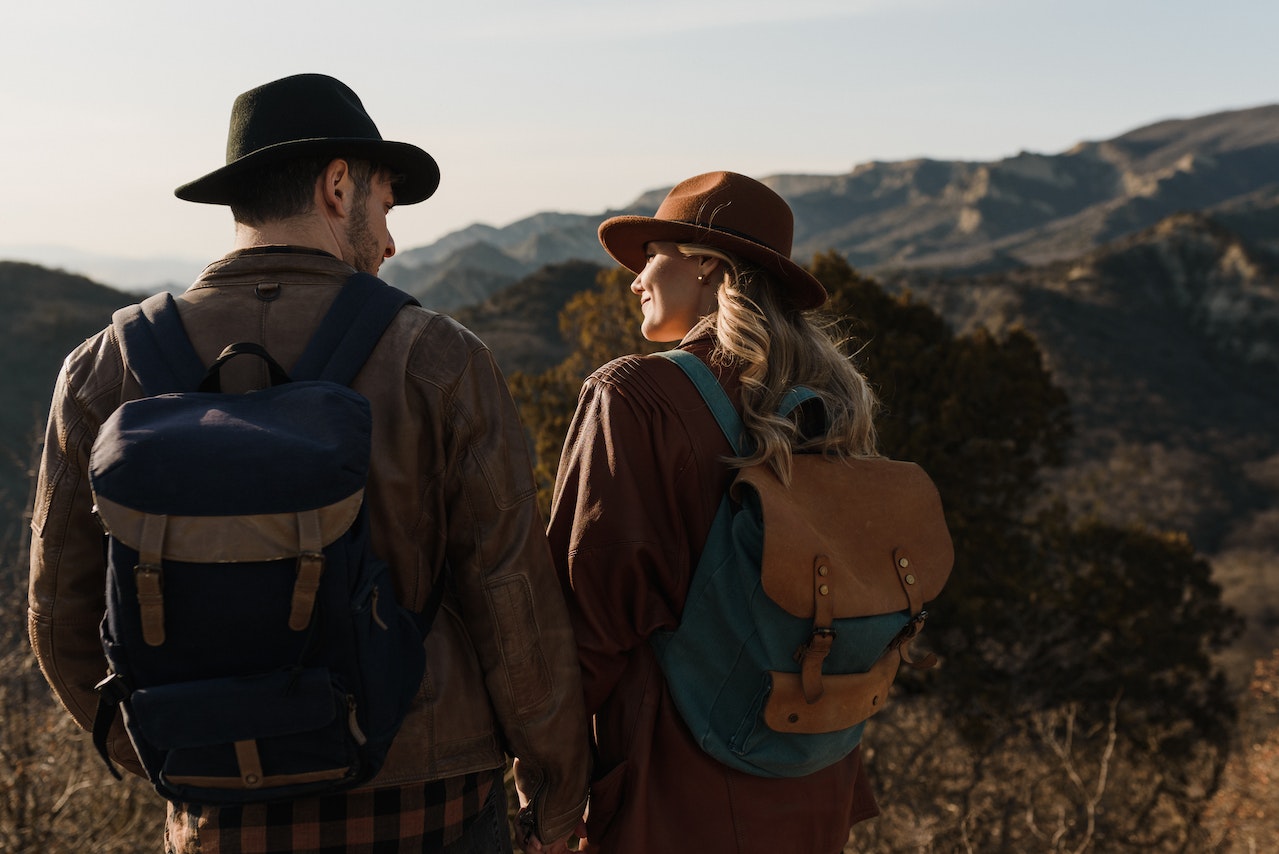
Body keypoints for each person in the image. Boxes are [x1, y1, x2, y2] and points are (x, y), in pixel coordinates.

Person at [27, 73, 589, 853]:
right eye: (386, 208)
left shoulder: (102, 369)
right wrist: (557, 790)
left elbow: (60, 617)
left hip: (219, 813)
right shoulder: (437, 359)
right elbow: (511, 599)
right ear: (336, 186)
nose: (391, 242)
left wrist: (174, 745)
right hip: (426, 804)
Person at [547, 171, 883, 852]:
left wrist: (545, 792)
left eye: (651, 256)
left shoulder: (632, 395)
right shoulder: (833, 406)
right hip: (816, 772)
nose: (636, 279)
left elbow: (584, 622)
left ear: (706, 265)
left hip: (673, 782)